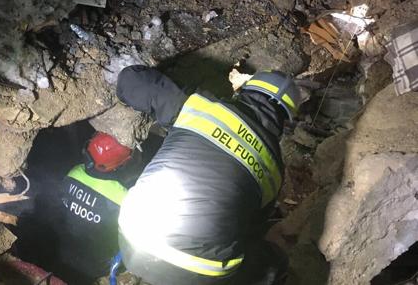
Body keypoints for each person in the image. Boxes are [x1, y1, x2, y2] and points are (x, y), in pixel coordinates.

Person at [116, 65, 300, 285]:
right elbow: (251, 228)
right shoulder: (275, 171)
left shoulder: (200, 107)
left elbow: (131, 80)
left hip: (132, 239)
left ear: (244, 92)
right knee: (272, 260)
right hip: (195, 272)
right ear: (284, 119)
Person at [58, 132, 138, 284]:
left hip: (64, 251)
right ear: (121, 164)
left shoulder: (74, 172)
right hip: (96, 266)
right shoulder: (122, 198)